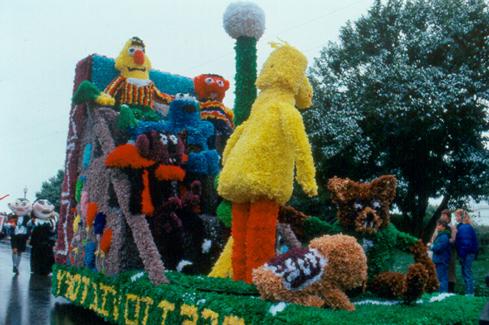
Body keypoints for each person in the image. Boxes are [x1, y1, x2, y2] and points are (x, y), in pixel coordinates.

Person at [430, 209, 457, 292]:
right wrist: (433, 243)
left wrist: (446, 241)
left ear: (449, 218)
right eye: (442, 215)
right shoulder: (439, 226)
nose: (442, 217)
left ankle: (447, 291)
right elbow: (433, 238)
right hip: (439, 253)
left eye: (444, 215)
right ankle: (440, 290)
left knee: (448, 272)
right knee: (441, 273)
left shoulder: (451, 227)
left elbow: (453, 240)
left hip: (448, 252)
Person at [455, 209, 478, 296]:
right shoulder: (464, 226)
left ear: (461, 217)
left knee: (467, 272)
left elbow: (465, 243)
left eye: (457, 216)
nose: (456, 218)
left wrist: (461, 256)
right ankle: (469, 292)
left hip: (467, 253)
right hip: (468, 253)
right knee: (466, 272)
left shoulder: (464, 227)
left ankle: (470, 293)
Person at [431, 219, 452, 292]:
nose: (437, 227)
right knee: (440, 277)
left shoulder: (444, 236)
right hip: (439, 259)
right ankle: (441, 293)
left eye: (438, 225)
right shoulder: (441, 235)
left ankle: (443, 293)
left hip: (442, 260)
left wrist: (432, 246)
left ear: (443, 226)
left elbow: (439, 248)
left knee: (442, 278)